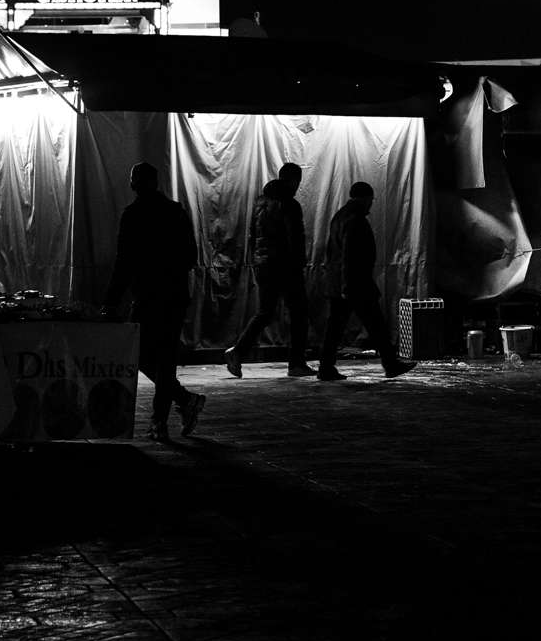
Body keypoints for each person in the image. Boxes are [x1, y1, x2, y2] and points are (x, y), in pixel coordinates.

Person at [106, 161, 205, 442]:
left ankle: (173, 410)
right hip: (173, 296)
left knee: (140, 356)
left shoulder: (133, 215)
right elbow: (189, 257)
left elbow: (123, 263)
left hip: (147, 295)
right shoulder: (176, 212)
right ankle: (168, 413)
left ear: (135, 184)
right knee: (165, 359)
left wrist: (111, 301)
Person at [316, 182, 414, 380]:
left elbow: (333, 253)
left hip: (341, 282)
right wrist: (347, 285)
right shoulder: (355, 220)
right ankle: (390, 364)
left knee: (335, 327)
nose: (371, 204)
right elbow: (349, 255)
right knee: (376, 324)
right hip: (355, 283)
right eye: (370, 200)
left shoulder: (340, 216)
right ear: (365, 198)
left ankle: (326, 367)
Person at [224, 161, 311, 378]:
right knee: (299, 314)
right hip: (285, 266)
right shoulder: (289, 204)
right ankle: (296, 363)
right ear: (293, 180)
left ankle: (238, 351)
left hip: (263, 264)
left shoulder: (260, 204)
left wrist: (257, 261)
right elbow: (295, 238)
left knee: (265, 312)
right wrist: (299, 263)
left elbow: (253, 236)